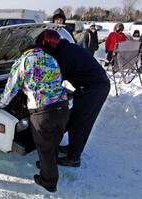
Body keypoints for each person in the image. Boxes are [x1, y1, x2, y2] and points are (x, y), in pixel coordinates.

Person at [0, 33, 70, 192]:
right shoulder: (50, 58)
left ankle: (49, 181)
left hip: (43, 111)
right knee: (53, 140)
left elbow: (11, 89)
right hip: (62, 106)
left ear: (21, 49)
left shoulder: (23, 62)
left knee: (44, 146)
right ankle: (48, 165)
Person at [39, 29, 110, 167]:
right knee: (83, 122)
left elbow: (55, 80)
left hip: (92, 89)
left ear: (49, 45)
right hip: (97, 85)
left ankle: (73, 158)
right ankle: (74, 149)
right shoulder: (67, 47)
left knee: (79, 123)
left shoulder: (63, 54)